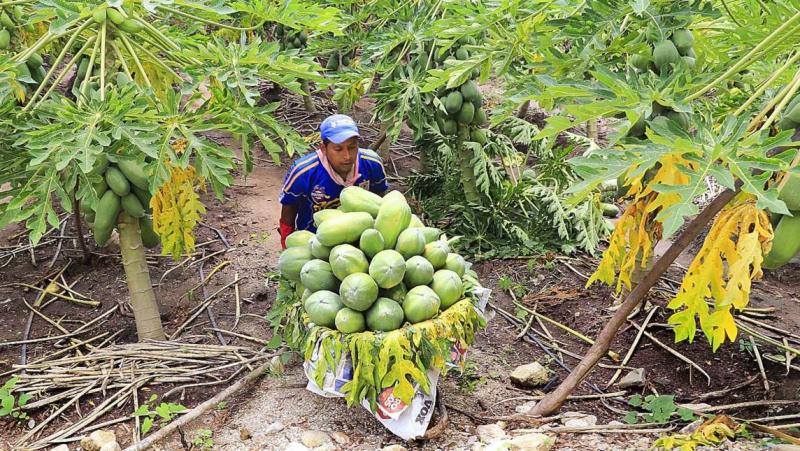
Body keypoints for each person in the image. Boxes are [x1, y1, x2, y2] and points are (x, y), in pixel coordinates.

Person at [278, 114, 389, 248]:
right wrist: (286, 241)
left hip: (362, 241)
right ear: (323, 149)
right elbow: (289, 206)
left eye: (352, 147)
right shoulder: (304, 171)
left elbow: (380, 201)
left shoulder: (372, 163)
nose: (347, 156)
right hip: (315, 241)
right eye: (338, 149)